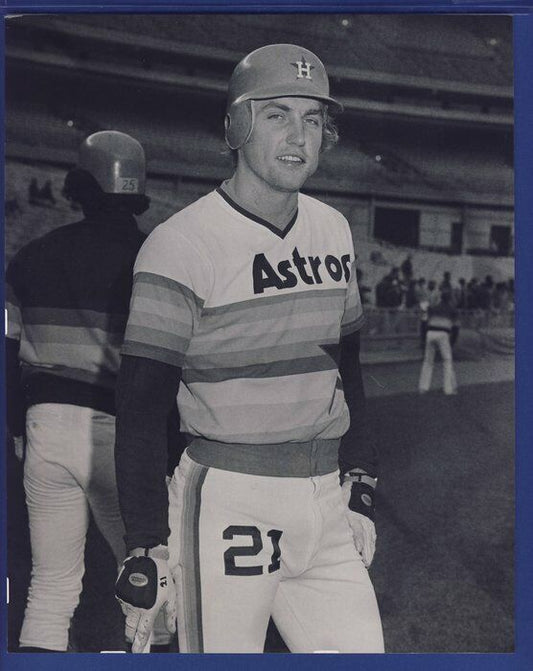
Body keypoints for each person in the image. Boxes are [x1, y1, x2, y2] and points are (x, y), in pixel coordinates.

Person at [114, 43, 384, 654]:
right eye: (277, 114)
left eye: (313, 119)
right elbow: (138, 407)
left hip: (325, 497)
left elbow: (350, 371)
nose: (299, 137)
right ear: (237, 124)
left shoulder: (333, 229)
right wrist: (145, 541)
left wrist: (361, 482)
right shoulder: (181, 242)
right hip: (231, 498)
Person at [5, 131, 150, 652]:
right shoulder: (153, 259)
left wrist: (16, 424)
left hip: (42, 426)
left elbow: (6, 346)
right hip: (118, 434)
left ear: (80, 187)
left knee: (49, 588)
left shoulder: (29, 257)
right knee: (149, 587)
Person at [418, 291, 459, 396]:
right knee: (447, 361)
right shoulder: (453, 310)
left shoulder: (433, 308)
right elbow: (456, 328)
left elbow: (423, 321)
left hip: (430, 333)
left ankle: (423, 387)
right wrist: (452, 342)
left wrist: (423, 338)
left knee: (428, 361)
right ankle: (448, 389)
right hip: (443, 334)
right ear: (450, 298)